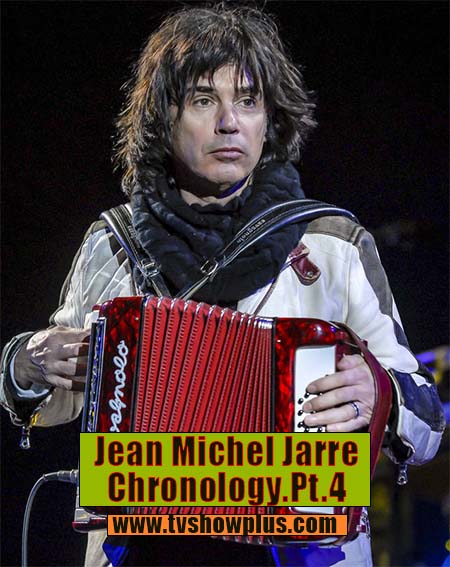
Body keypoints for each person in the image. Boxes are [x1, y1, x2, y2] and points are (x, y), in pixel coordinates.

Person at [0, 5, 444, 567]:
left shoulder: (333, 245)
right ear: (164, 118)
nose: (230, 122)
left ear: (270, 121)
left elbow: (429, 421)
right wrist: (28, 364)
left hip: (300, 551)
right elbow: (60, 399)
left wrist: (382, 393)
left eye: (249, 101)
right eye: (204, 100)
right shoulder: (112, 245)